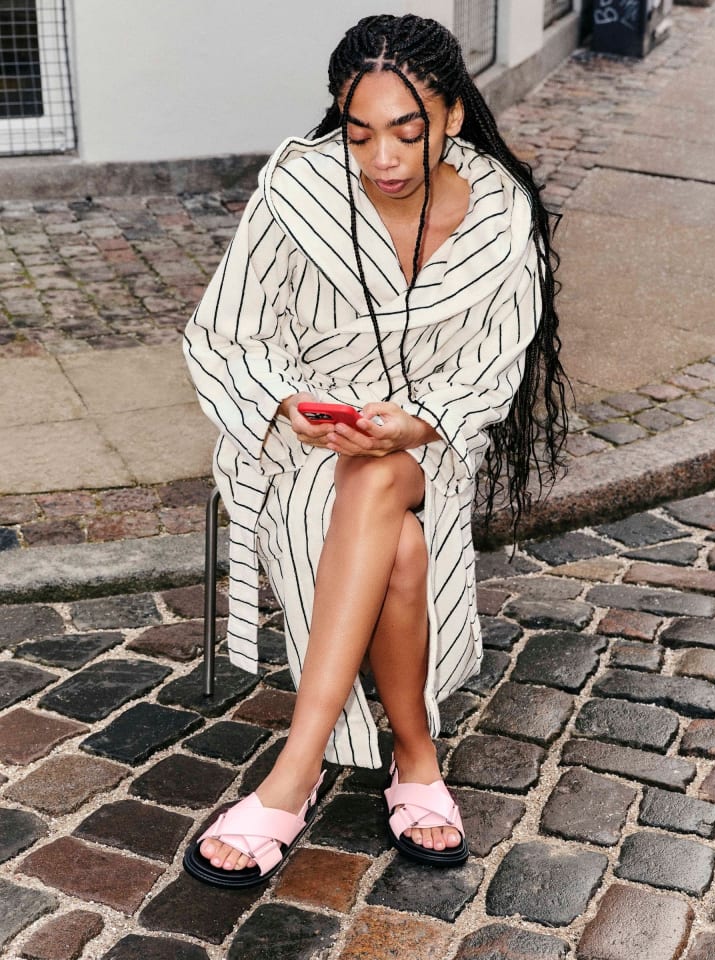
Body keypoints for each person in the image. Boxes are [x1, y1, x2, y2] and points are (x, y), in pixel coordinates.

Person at [182, 13, 568, 888]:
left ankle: (296, 768)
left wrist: (417, 422)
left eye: (407, 131)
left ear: (454, 116)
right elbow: (225, 335)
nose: (383, 158)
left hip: (433, 443)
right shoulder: (296, 192)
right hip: (296, 444)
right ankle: (416, 755)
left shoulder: (501, 213)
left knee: (384, 469)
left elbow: (492, 366)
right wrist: (287, 405)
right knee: (395, 535)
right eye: (359, 134)